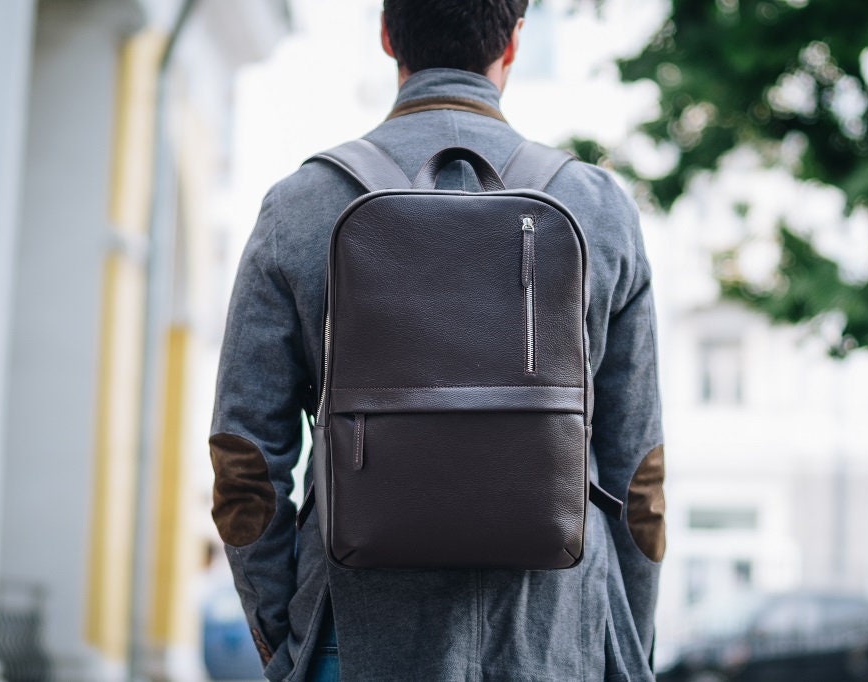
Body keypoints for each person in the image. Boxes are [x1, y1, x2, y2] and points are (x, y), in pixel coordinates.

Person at [209, 1, 666, 680]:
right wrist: (625, 648)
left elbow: (245, 459)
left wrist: (288, 637)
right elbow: (640, 479)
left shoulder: (300, 206)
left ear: (388, 36)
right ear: (513, 42)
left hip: (354, 634)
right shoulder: (598, 208)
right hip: (556, 640)